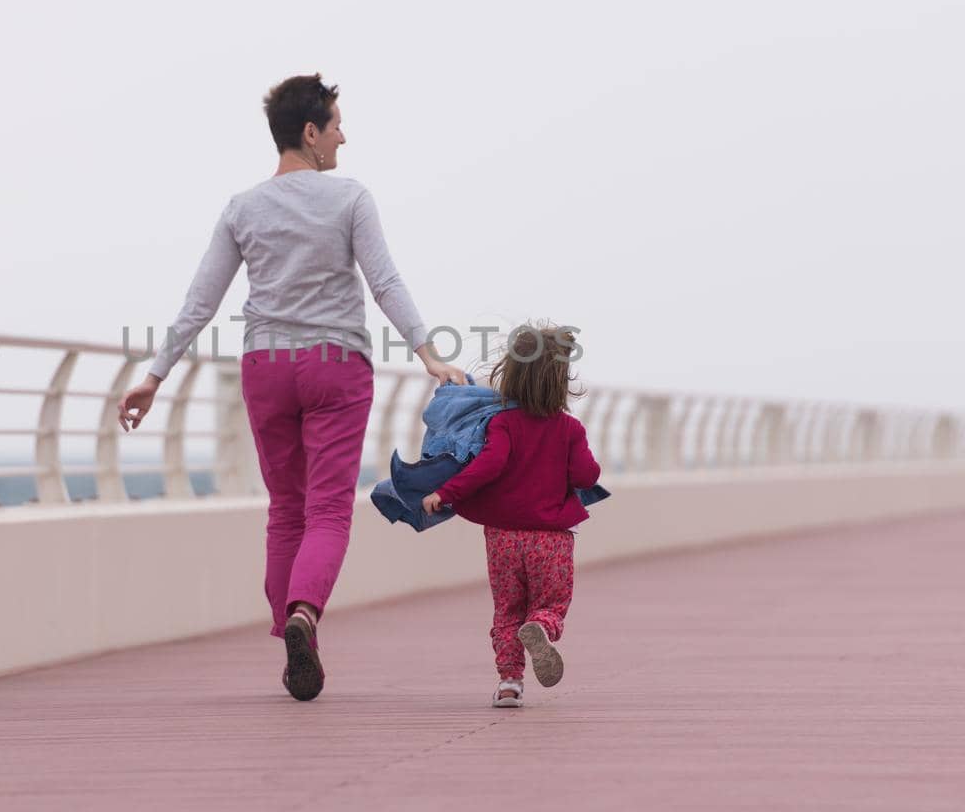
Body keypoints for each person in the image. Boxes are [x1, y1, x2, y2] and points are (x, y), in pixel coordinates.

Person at [117, 73, 466, 701]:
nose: (343, 137)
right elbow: (385, 281)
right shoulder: (350, 198)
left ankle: (290, 637)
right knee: (329, 510)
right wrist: (428, 353)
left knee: (285, 509)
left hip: (267, 368)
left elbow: (202, 300)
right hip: (335, 366)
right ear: (310, 132)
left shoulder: (242, 207)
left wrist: (154, 375)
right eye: (336, 125)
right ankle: (306, 614)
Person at [421, 323, 602, 708]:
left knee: (506, 611)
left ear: (513, 374)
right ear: (560, 380)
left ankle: (509, 684)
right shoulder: (569, 430)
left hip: (502, 538)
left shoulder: (501, 423)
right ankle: (540, 628)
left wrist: (444, 492)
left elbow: (487, 466)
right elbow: (587, 476)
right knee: (549, 605)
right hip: (549, 540)